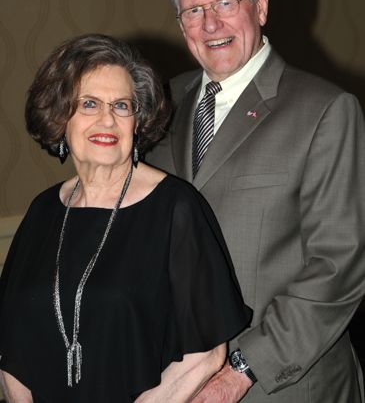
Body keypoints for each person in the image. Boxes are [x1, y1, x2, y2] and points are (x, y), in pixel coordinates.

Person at [147, 0, 365, 402]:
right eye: (193, 10)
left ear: (260, 5)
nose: (211, 24)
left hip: (284, 386)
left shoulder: (326, 110)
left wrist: (239, 371)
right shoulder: (161, 106)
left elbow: (338, 269)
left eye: (226, 3)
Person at [0, 34, 251, 402]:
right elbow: (11, 344)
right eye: (88, 104)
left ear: (138, 120)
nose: (107, 119)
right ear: (59, 117)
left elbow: (206, 353)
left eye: (121, 105)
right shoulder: (43, 212)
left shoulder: (175, 209)